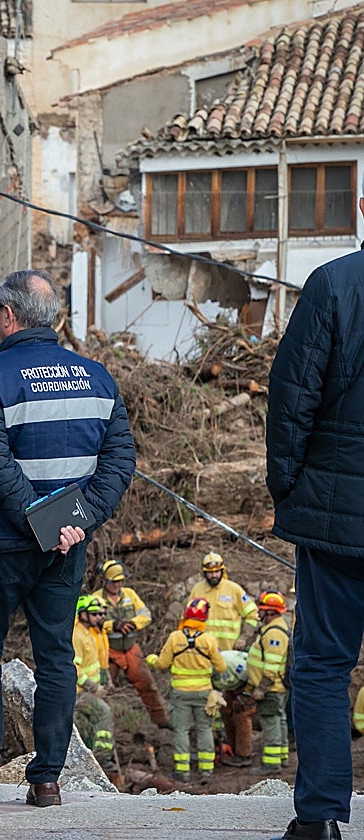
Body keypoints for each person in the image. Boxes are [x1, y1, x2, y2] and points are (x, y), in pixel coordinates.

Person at [0, 270, 135, 808]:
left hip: (2, 543)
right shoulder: (97, 378)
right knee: (56, 656)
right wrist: (77, 522)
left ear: (8, 316)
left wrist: (40, 520)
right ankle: (47, 780)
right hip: (66, 546)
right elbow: (119, 461)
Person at [266, 213, 364, 840]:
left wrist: (289, 487)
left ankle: (322, 816)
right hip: (334, 509)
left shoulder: (332, 285)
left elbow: (291, 395)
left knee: (324, 664)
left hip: (337, 518)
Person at [189, 551, 260, 767]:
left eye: (216, 571)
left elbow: (253, 614)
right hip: (206, 660)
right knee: (210, 707)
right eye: (209, 572)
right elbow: (190, 617)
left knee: (236, 707)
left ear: (223, 570)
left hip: (231, 661)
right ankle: (216, 748)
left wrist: (245, 637)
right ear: (204, 572)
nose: (213, 575)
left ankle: (240, 751)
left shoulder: (234, 590)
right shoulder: (197, 590)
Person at [146, 597, 227, 783]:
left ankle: (183, 773)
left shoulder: (175, 637)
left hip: (180, 693)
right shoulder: (208, 640)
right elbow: (221, 667)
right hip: (204, 693)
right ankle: (207, 772)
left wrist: (150, 659)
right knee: (204, 729)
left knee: (181, 731)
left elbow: (162, 663)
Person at [91, 561, 170, 728]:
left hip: (131, 647)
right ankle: (105, 727)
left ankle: (161, 722)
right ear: (104, 580)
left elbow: (145, 615)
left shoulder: (129, 594)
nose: (118, 585)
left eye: (120, 581)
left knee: (148, 684)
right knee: (104, 689)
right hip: (108, 650)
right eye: (114, 582)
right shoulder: (96, 598)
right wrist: (113, 625)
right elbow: (90, 622)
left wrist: (133, 623)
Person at [246, 591, 290, 776]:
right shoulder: (270, 629)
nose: (258, 613)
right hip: (274, 686)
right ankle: (282, 757)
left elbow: (271, 666)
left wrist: (261, 688)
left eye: (261, 609)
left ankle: (272, 764)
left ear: (270, 612)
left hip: (271, 687)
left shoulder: (274, 634)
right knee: (279, 719)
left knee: (271, 721)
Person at [72, 595, 116, 778]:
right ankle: (103, 756)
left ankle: (94, 753)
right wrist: (93, 687)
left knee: (90, 725)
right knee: (104, 712)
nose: (101, 617)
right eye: (95, 613)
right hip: (80, 692)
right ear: (82, 614)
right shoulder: (77, 635)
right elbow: (74, 667)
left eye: (102, 613)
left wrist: (106, 681)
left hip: (90, 689)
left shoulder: (90, 632)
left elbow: (96, 662)